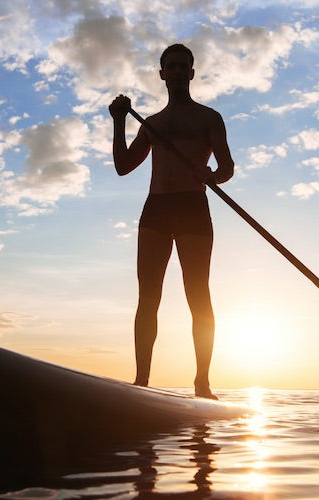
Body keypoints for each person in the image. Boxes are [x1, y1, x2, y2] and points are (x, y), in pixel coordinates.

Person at [108, 44, 235, 399]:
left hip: (193, 206)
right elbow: (123, 166)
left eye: (184, 67)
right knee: (148, 297)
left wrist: (211, 174)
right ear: (162, 74)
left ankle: (202, 384)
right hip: (157, 210)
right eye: (171, 67)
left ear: (192, 74)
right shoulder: (152, 124)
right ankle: (141, 382)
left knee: (198, 296)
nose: (178, 72)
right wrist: (119, 122)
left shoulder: (209, 118)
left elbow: (227, 167)